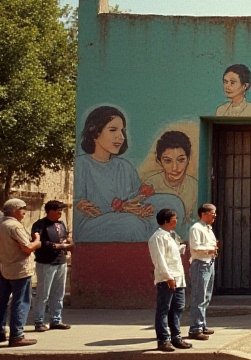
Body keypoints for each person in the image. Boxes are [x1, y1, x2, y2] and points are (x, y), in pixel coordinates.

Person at [74, 106, 186, 242]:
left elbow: (136, 197)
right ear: (95, 132)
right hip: (94, 225)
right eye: (113, 130)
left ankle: (167, 248)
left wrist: (141, 208)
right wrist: (126, 209)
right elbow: (86, 209)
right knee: (131, 224)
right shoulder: (81, 165)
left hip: (128, 217)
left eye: (122, 131)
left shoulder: (124, 166)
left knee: (172, 203)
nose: (120, 137)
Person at [148, 208, 191, 352]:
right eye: (174, 218)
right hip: (168, 278)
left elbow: (173, 255)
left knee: (177, 307)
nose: (176, 221)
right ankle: (163, 339)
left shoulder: (171, 236)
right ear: (166, 221)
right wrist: (168, 277)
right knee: (164, 309)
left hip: (178, 277)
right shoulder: (157, 237)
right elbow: (159, 260)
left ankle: (176, 337)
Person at [1, 198, 41, 347]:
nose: (25, 212)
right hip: (20, 269)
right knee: (21, 302)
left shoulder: (1, 224)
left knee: (2, 302)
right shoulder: (14, 226)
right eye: (23, 208)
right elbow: (27, 248)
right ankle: (16, 335)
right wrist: (37, 241)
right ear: (16, 209)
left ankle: (1, 332)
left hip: (4, 267)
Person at [30, 200, 73, 332]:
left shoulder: (61, 224)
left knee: (58, 293)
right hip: (46, 263)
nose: (60, 213)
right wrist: (58, 246)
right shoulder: (40, 225)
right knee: (43, 294)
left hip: (61, 262)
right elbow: (39, 242)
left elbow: (64, 238)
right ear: (50, 211)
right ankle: (39, 321)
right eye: (58, 210)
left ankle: (56, 319)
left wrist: (67, 241)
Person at [143, 130, 200, 223]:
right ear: (159, 161)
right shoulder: (150, 185)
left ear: (188, 159)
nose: (175, 168)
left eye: (181, 160)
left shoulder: (195, 187)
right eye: (168, 161)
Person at [187, 204, 218, 340]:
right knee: (199, 297)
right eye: (212, 213)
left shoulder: (208, 229)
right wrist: (209, 250)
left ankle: (202, 324)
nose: (214, 216)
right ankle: (195, 328)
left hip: (209, 263)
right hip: (201, 264)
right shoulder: (196, 228)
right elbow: (195, 247)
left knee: (206, 296)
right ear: (203, 214)